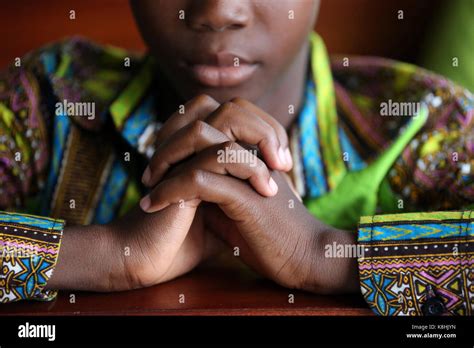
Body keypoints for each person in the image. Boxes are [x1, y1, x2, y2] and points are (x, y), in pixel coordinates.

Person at [0, 0, 472, 316]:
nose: (218, 11)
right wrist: (104, 253)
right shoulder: (48, 101)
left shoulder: (425, 122)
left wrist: (326, 253)